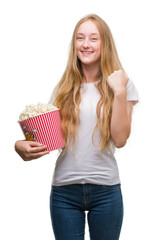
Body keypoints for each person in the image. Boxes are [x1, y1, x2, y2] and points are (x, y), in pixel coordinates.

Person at [15, 14, 139, 240]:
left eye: (93, 38)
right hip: (64, 192)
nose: (85, 44)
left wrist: (119, 92)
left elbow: (120, 140)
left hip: (106, 192)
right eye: (80, 38)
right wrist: (20, 145)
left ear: (105, 44)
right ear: (74, 45)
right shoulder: (63, 89)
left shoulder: (121, 85)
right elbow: (49, 139)